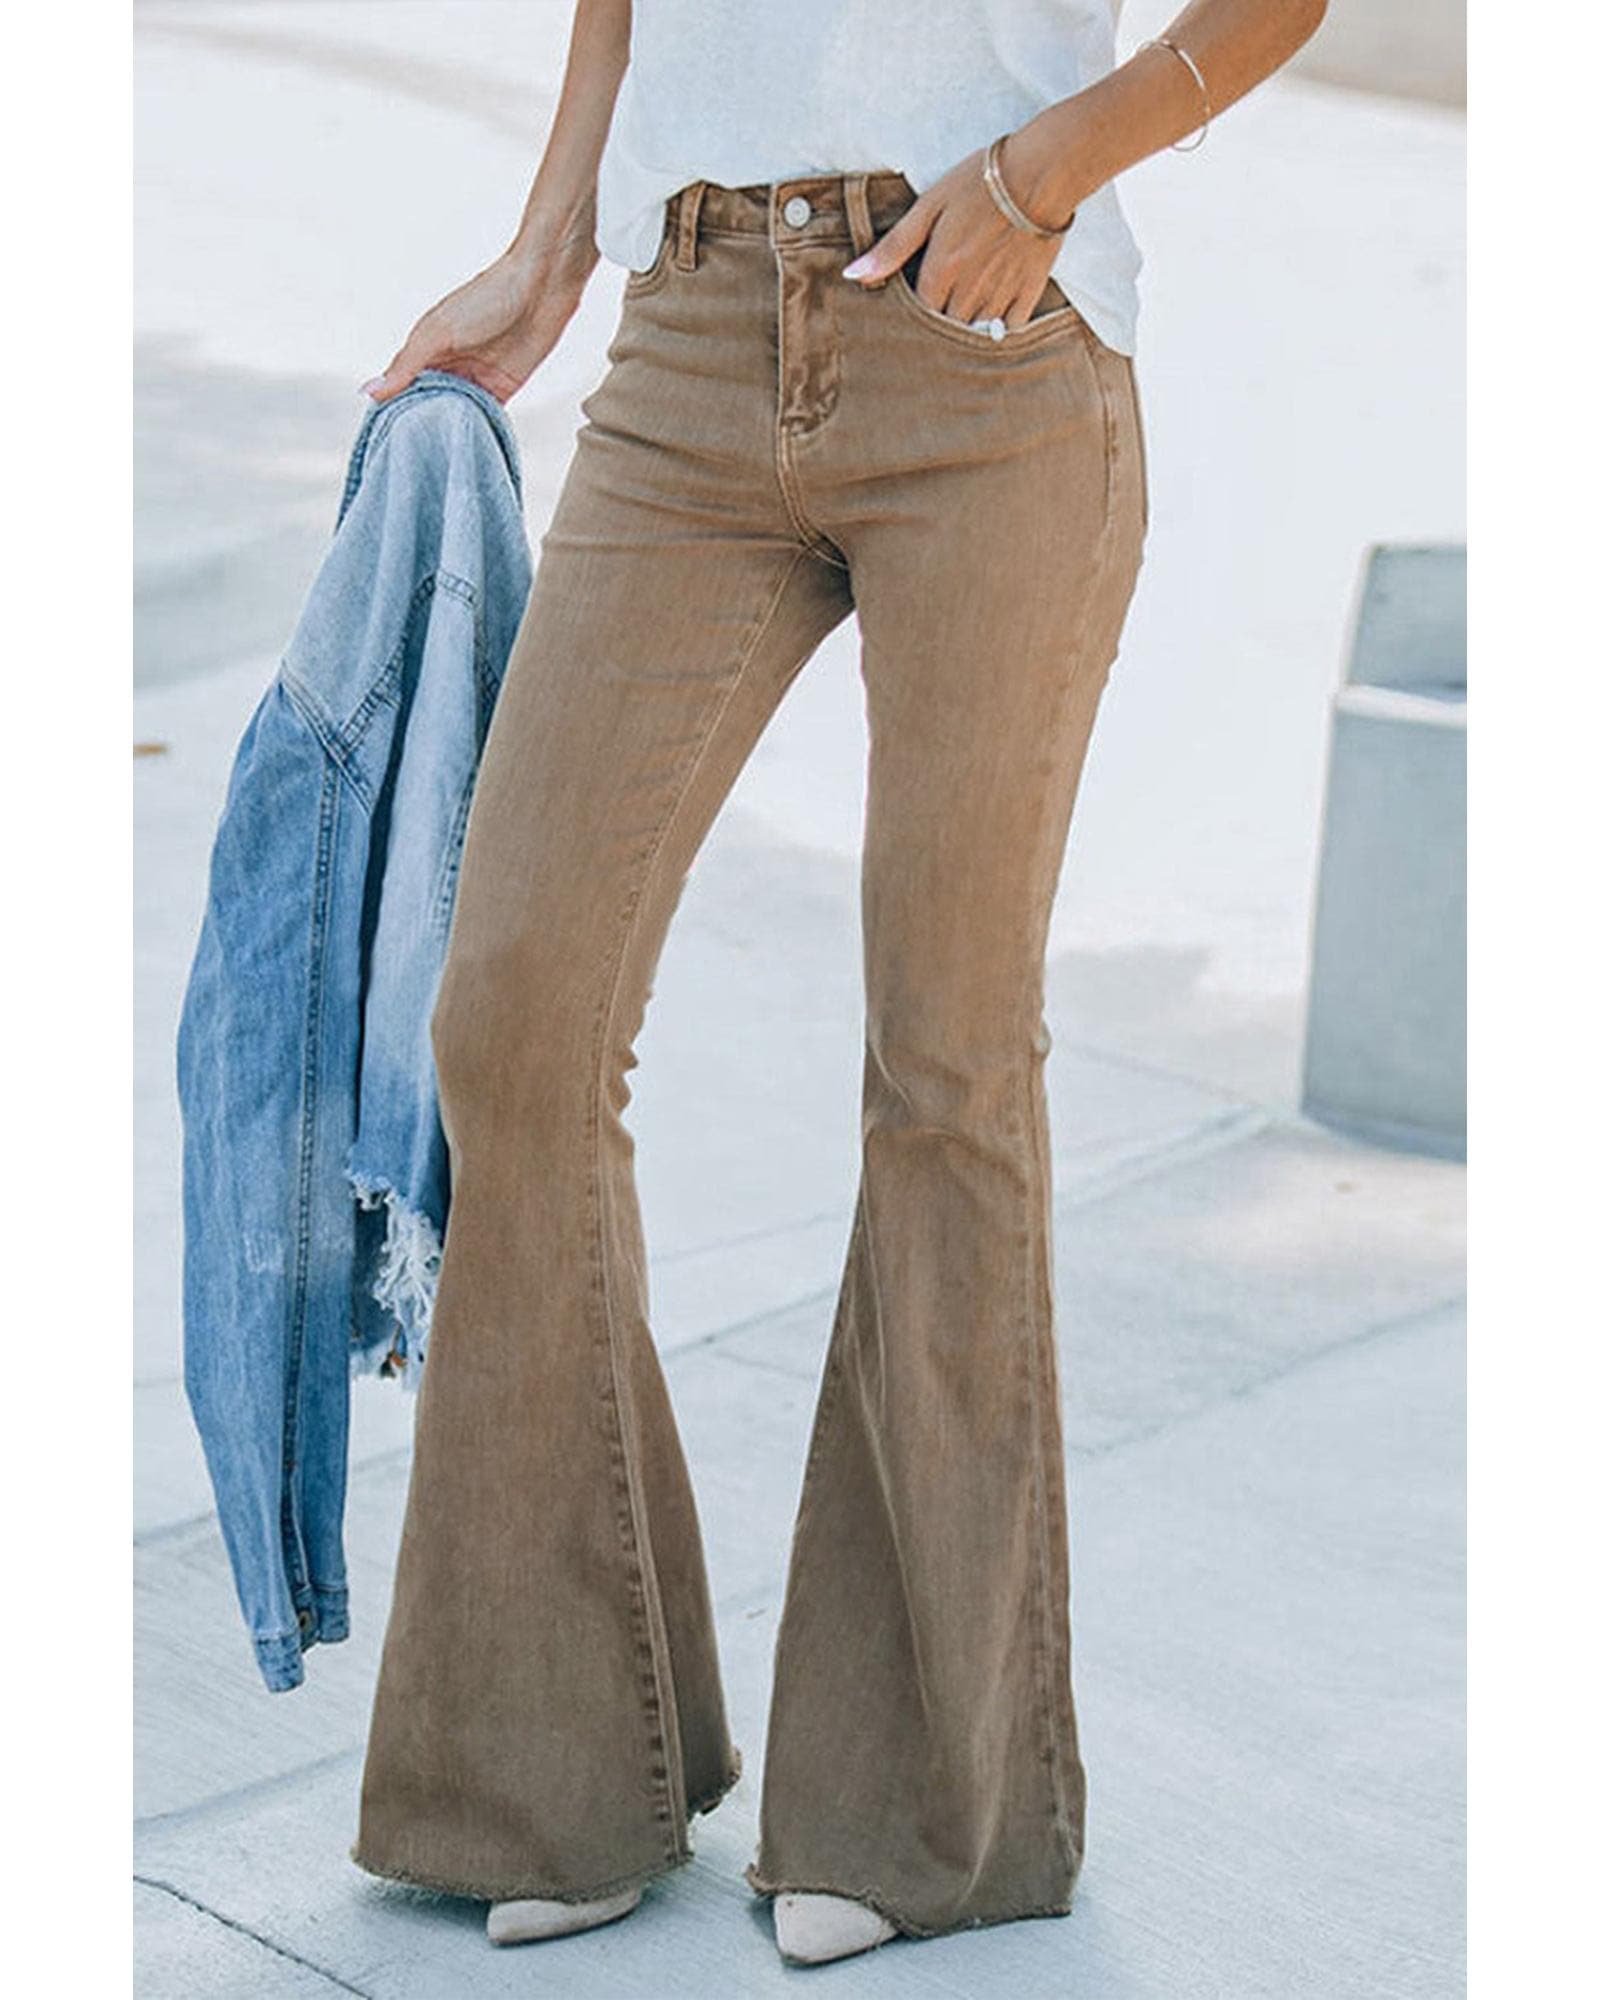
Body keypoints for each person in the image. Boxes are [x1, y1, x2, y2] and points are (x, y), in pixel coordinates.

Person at [350, 0, 1328, 1967]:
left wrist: (1049, 172)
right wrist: (549, 246)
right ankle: (551, 1762)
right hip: (692, 330)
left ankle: (910, 1813)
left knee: (945, 1060)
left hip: (992, 344)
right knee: (513, 1010)